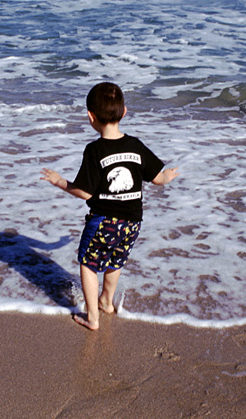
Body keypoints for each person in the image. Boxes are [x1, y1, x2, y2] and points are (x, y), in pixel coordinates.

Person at [41, 81, 179, 330]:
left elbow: (84, 192)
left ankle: (92, 317)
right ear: (124, 112)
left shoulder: (94, 150)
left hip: (104, 220)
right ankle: (106, 300)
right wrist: (169, 174)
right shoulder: (135, 145)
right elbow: (159, 179)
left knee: (88, 263)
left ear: (90, 117)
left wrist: (60, 182)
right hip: (133, 223)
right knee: (116, 260)